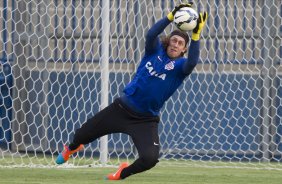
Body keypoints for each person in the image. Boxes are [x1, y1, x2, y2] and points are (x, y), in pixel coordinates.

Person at [56, 2, 208, 180]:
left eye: (180, 43)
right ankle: (72, 147)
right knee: (81, 134)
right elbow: (151, 34)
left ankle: (122, 173)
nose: (175, 44)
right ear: (168, 42)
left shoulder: (180, 67)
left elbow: (192, 62)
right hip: (121, 109)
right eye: (174, 40)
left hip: (145, 120)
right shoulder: (154, 51)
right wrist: (170, 16)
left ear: (184, 49)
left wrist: (196, 35)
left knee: (149, 159)